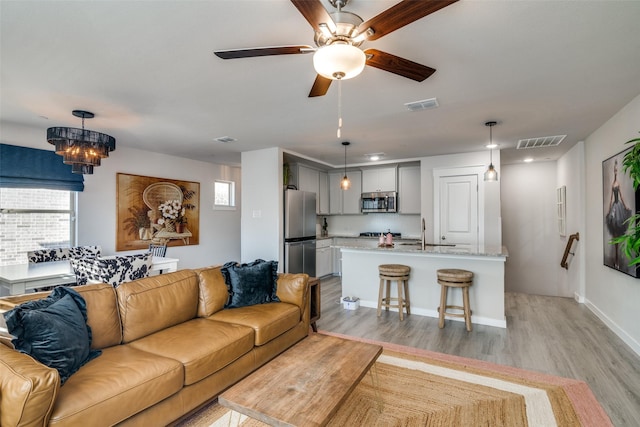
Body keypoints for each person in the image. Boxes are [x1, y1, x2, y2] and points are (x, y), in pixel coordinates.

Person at [606, 159, 632, 268]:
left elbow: (620, 196)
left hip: (619, 207)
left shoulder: (618, 183)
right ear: (613, 171)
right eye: (614, 170)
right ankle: (616, 259)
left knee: (618, 232)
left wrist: (625, 206)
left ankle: (619, 259)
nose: (615, 171)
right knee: (615, 233)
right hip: (614, 208)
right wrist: (608, 210)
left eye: (616, 170)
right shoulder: (613, 183)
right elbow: (611, 198)